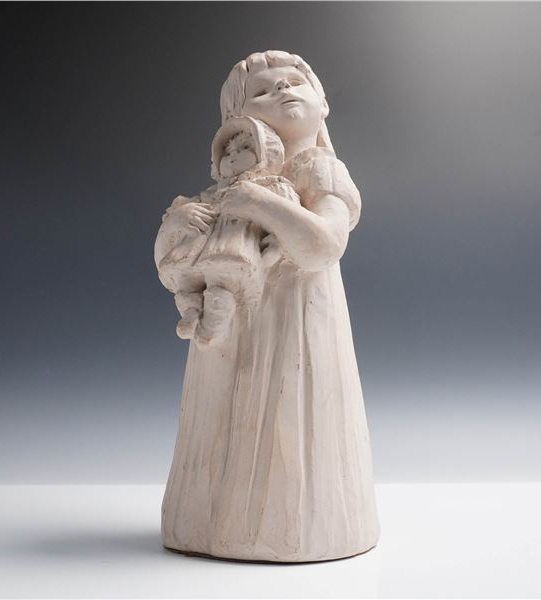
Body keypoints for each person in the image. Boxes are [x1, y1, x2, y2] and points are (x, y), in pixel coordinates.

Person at [155, 50, 380, 562]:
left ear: (322, 102)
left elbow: (323, 245)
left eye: (295, 80)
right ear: (236, 124)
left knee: (290, 418)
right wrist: (182, 224)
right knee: (225, 409)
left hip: (299, 316)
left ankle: (296, 527)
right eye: (261, 91)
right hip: (237, 321)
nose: (282, 89)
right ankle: (211, 520)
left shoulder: (321, 169)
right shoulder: (229, 183)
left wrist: (260, 204)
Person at [157, 115, 299, 348]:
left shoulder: (269, 187)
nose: (233, 156)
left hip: (232, 246)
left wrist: (275, 246)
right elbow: (180, 216)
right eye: (228, 152)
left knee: (222, 281)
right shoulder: (210, 194)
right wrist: (182, 214)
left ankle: (213, 324)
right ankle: (190, 309)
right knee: (185, 277)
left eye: (245, 148)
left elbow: (285, 218)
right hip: (196, 249)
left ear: (266, 153)